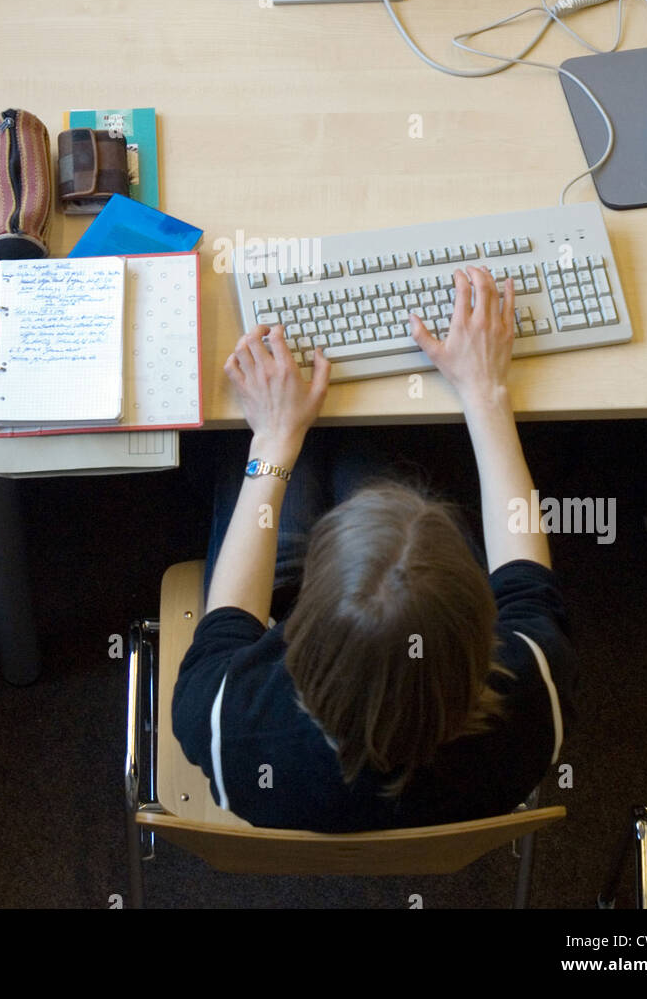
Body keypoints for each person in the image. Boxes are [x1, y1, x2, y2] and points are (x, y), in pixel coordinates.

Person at [172, 267, 576, 831]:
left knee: (299, 440)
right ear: (484, 630)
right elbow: (526, 575)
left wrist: (272, 440)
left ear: (298, 635)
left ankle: (292, 428)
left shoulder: (228, 722)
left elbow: (229, 624)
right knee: (374, 441)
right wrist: (485, 393)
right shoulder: (532, 698)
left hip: (284, 624)